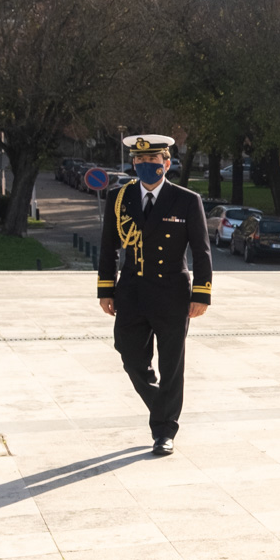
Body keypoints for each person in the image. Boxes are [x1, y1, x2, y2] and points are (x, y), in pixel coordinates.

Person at [96, 133, 212, 456]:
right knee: (130, 356)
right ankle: (162, 406)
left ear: (166, 163)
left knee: (172, 364)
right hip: (131, 292)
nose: (145, 165)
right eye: (140, 160)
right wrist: (105, 289)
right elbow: (108, 247)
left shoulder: (186, 200)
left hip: (172, 293)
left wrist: (202, 294)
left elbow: (202, 251)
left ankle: (164, 431)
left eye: (152, 160)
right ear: (133, 163)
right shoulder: (120, 198)